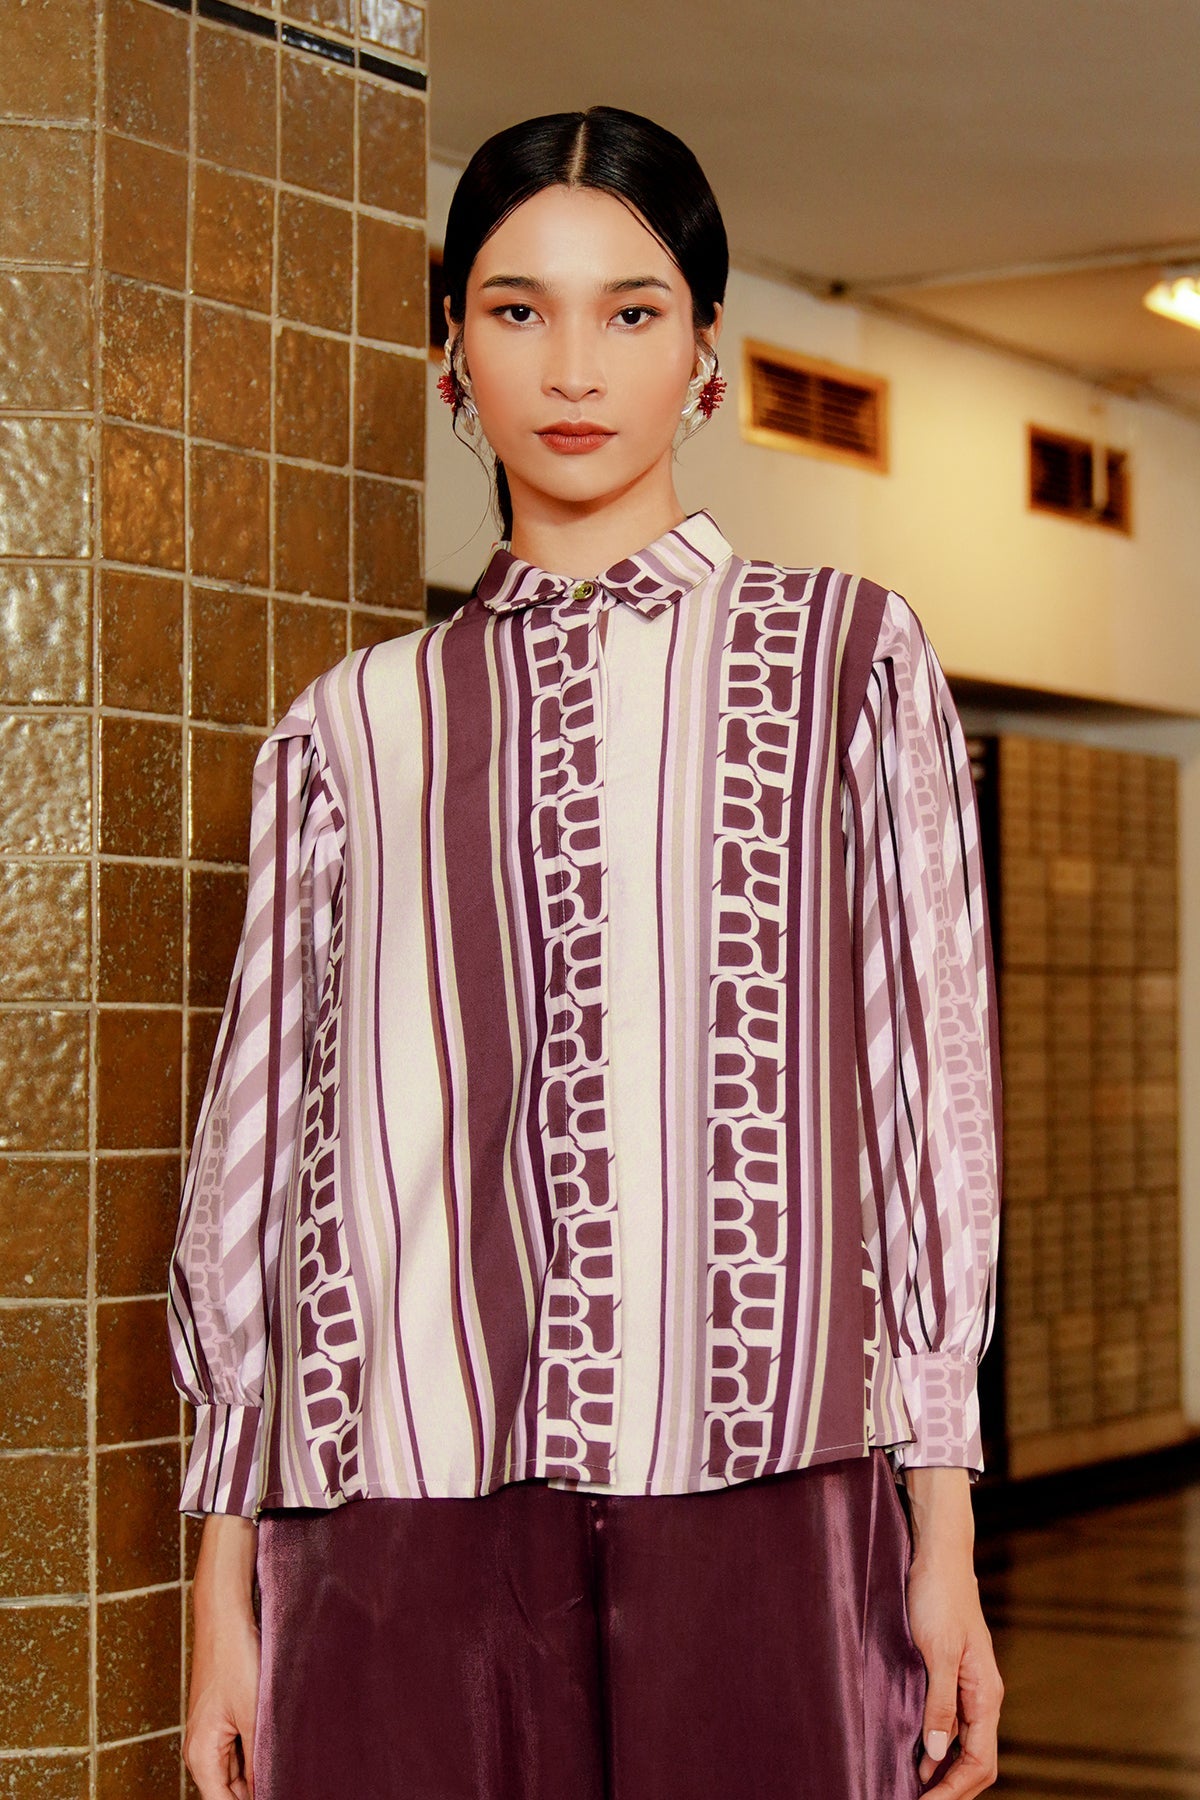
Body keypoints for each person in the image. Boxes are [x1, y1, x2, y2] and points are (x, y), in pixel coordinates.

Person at [168, 104, 1004, 1800]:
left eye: (631, 311)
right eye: (515, 309)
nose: (572, 367)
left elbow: (932, 1101)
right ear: (449, 355)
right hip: (398, 1501)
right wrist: (221, 1588)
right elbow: (256, 1156)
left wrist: (945, 1532)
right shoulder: (350, 728)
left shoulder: (846, 660)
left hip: (769, 1484)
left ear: (706, 352)